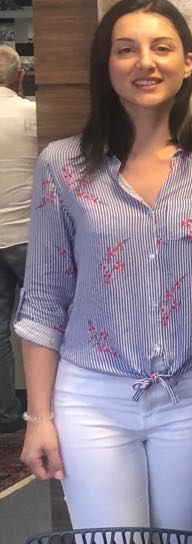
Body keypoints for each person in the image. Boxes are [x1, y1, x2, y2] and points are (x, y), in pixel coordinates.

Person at [14, 0, 192, 531]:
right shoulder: (63, 165)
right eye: (126, 49)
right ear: (107, 64)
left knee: (182, 539)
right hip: (91, 396)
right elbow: (44, 298)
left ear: (188, 62)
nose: (145, 62)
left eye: (162, 48)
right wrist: (38, 417)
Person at [0, 45, 36, 433]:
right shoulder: (33, 115)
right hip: (29, 238)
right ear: (20, 76)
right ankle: (54, 406)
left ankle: (7, 415)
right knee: (47, 323)